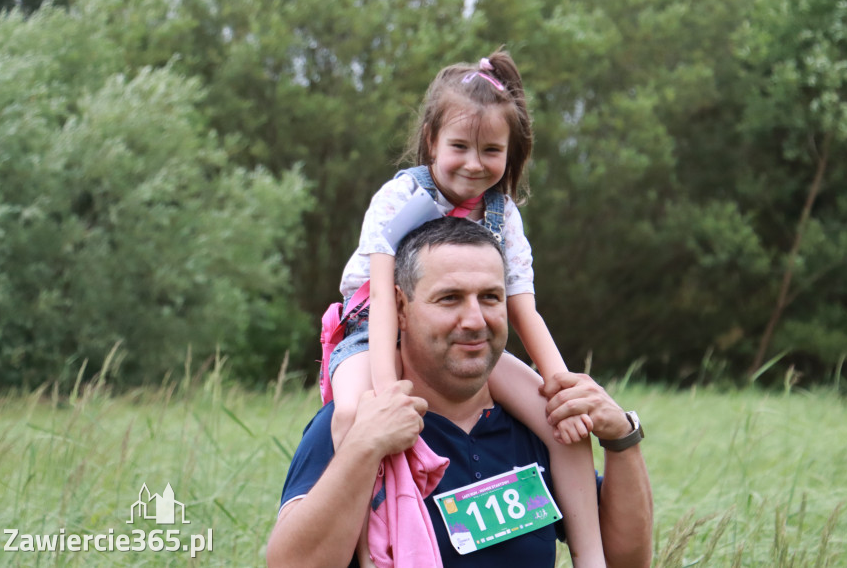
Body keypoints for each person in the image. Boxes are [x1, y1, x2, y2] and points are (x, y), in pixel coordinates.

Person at [324, 49, 604, 567]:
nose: (475, 165)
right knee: (352, 415)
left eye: (491, 150)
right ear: (431, 140)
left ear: (511, 153)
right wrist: (388, 388)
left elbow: (523, 310)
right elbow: (384, 297)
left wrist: (561, 385)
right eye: (459, 146)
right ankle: (366, 552)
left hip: (467, 337)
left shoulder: (504, 215)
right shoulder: (400, 197)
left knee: (561, 424)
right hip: (373, 327)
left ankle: (592, 558)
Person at [267, 218, 653, 568]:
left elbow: (626, 561)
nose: (474, 320)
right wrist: (363, 449)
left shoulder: (540, 428)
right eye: (449, 298)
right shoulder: (354, 425)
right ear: (400, 308)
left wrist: (622, 437)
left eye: (490, 297)